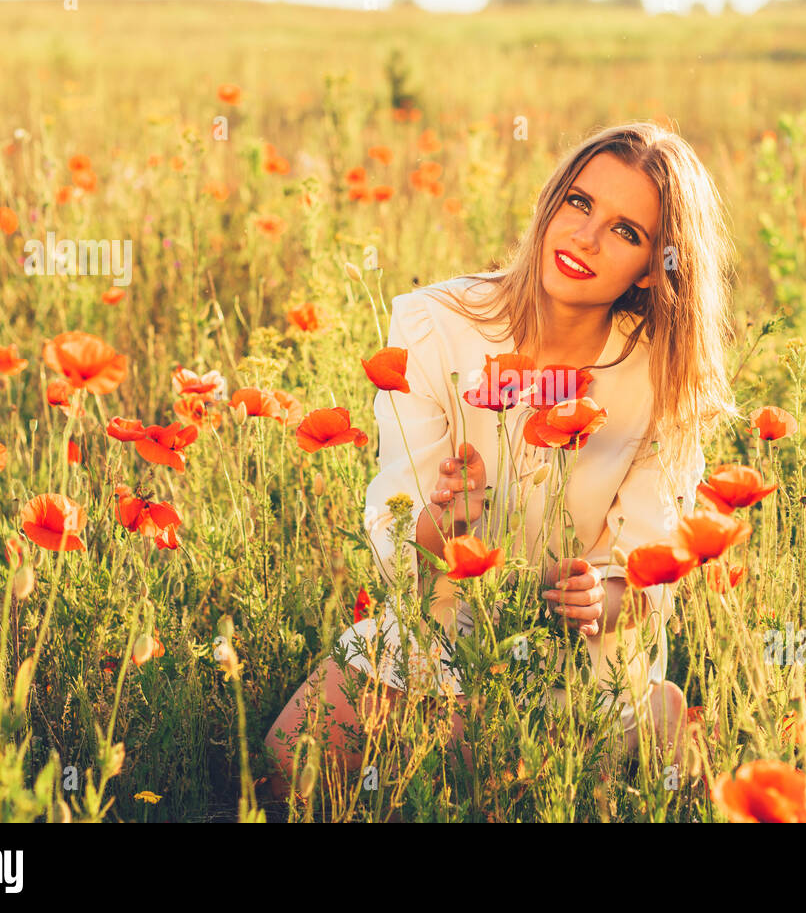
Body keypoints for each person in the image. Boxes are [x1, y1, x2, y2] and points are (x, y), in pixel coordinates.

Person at [265, 120, 737, 797]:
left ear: (650, 269)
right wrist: (444, 521)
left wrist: (602, 600)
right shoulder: (437, 323)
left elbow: (652, 565)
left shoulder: (661, 375)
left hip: (570, 650)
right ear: (552, 204)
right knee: (291, 771)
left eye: (626, 232)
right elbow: (398, 553)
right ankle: (594, 742)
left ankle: (635, 717)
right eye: (579, 204)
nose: (585, 239)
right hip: (441, 623)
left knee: (502, 788)